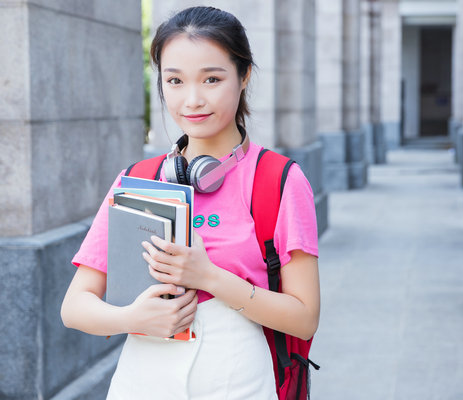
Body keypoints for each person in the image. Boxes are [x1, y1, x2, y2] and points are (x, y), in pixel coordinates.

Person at [61, 6, 320, 399]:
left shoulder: (277, 179)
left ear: (244, 74)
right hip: (141, 379)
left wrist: (209, 278)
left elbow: (304, 319)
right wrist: (132, 317)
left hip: (238, 380)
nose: (192, 99)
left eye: (212, 78)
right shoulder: (139, 179)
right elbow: (74, 306)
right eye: (175, 81)